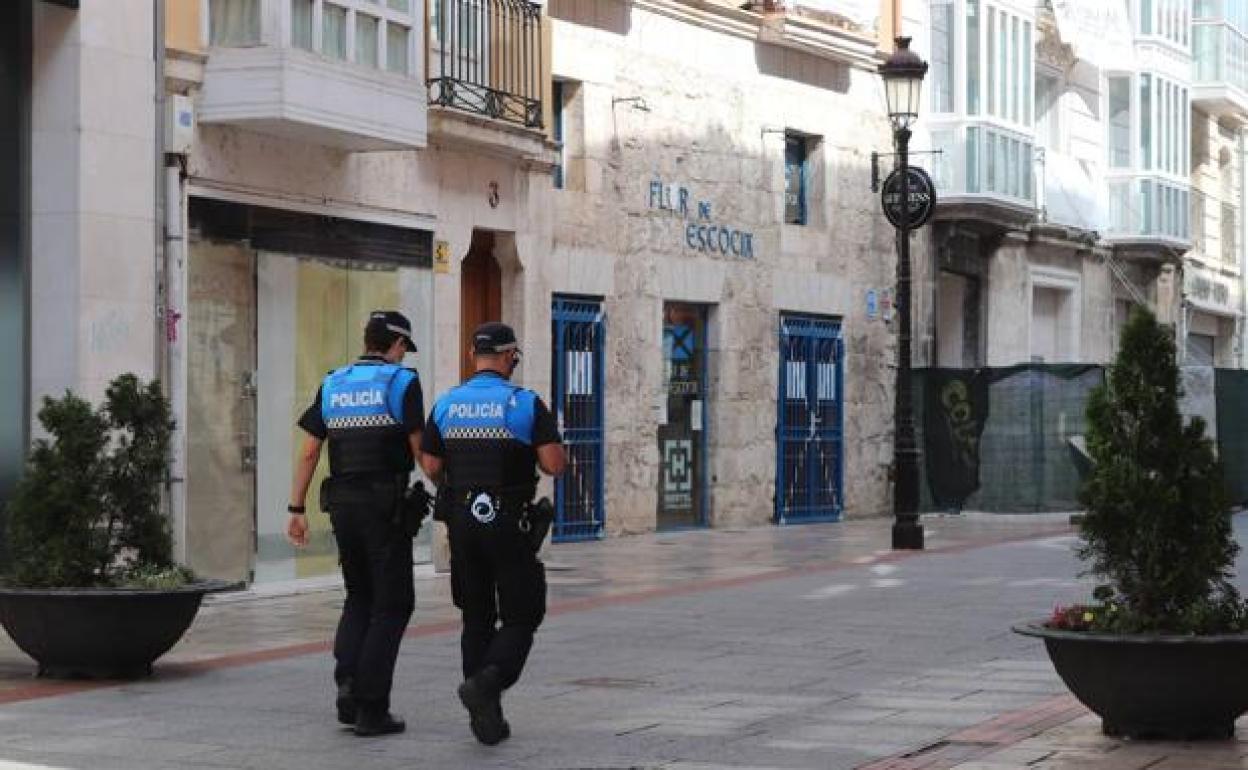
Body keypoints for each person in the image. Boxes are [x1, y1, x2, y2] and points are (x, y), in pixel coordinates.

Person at [419, 321, 566, 745]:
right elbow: (553, 465)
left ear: (472, 356)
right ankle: (488, 684)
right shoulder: (523, 403)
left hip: (462, 522)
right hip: (509, 520)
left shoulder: (447, 403)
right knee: (523, 614)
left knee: (476, 616)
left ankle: (485, 714)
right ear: (509, 357)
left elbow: (430, 465)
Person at [286, 310, 424, 737]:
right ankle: (371, 705)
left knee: (359, 596)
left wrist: (295, 509)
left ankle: (347, 682)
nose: (404, 358)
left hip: (342, 504)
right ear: (397, 345)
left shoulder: (333, 383)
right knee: (393, 603)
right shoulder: (402, 383)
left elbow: (310, 451)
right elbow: (421, 452)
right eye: (404, 350)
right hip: (384, 505)